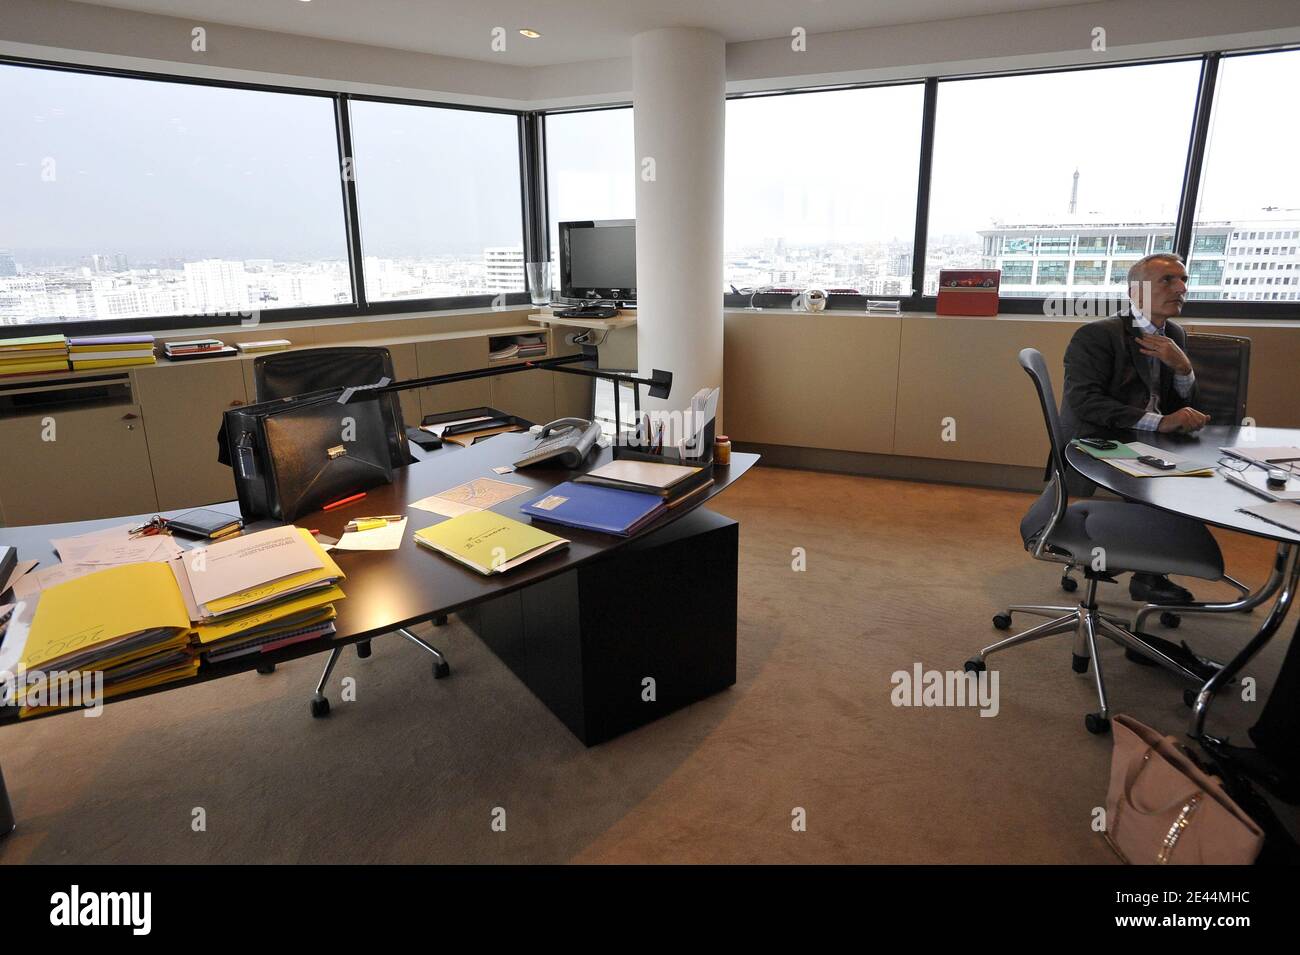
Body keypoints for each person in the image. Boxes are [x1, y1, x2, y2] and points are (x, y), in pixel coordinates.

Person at [1060, 252, 1211, 606]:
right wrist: (1160, 422)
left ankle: (1143, 559)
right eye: (1168, 280)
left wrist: (1184, 367)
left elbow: (1185, 403)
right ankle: (1148, 574)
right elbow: (1085, 402)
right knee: (1168, 484)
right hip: (1103, 439)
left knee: (1202, 475)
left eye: (1184, 280)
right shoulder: (1097, 335)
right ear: (1135, 291)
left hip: (1153, 439)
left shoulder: (1173, 335)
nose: (1181, 288)